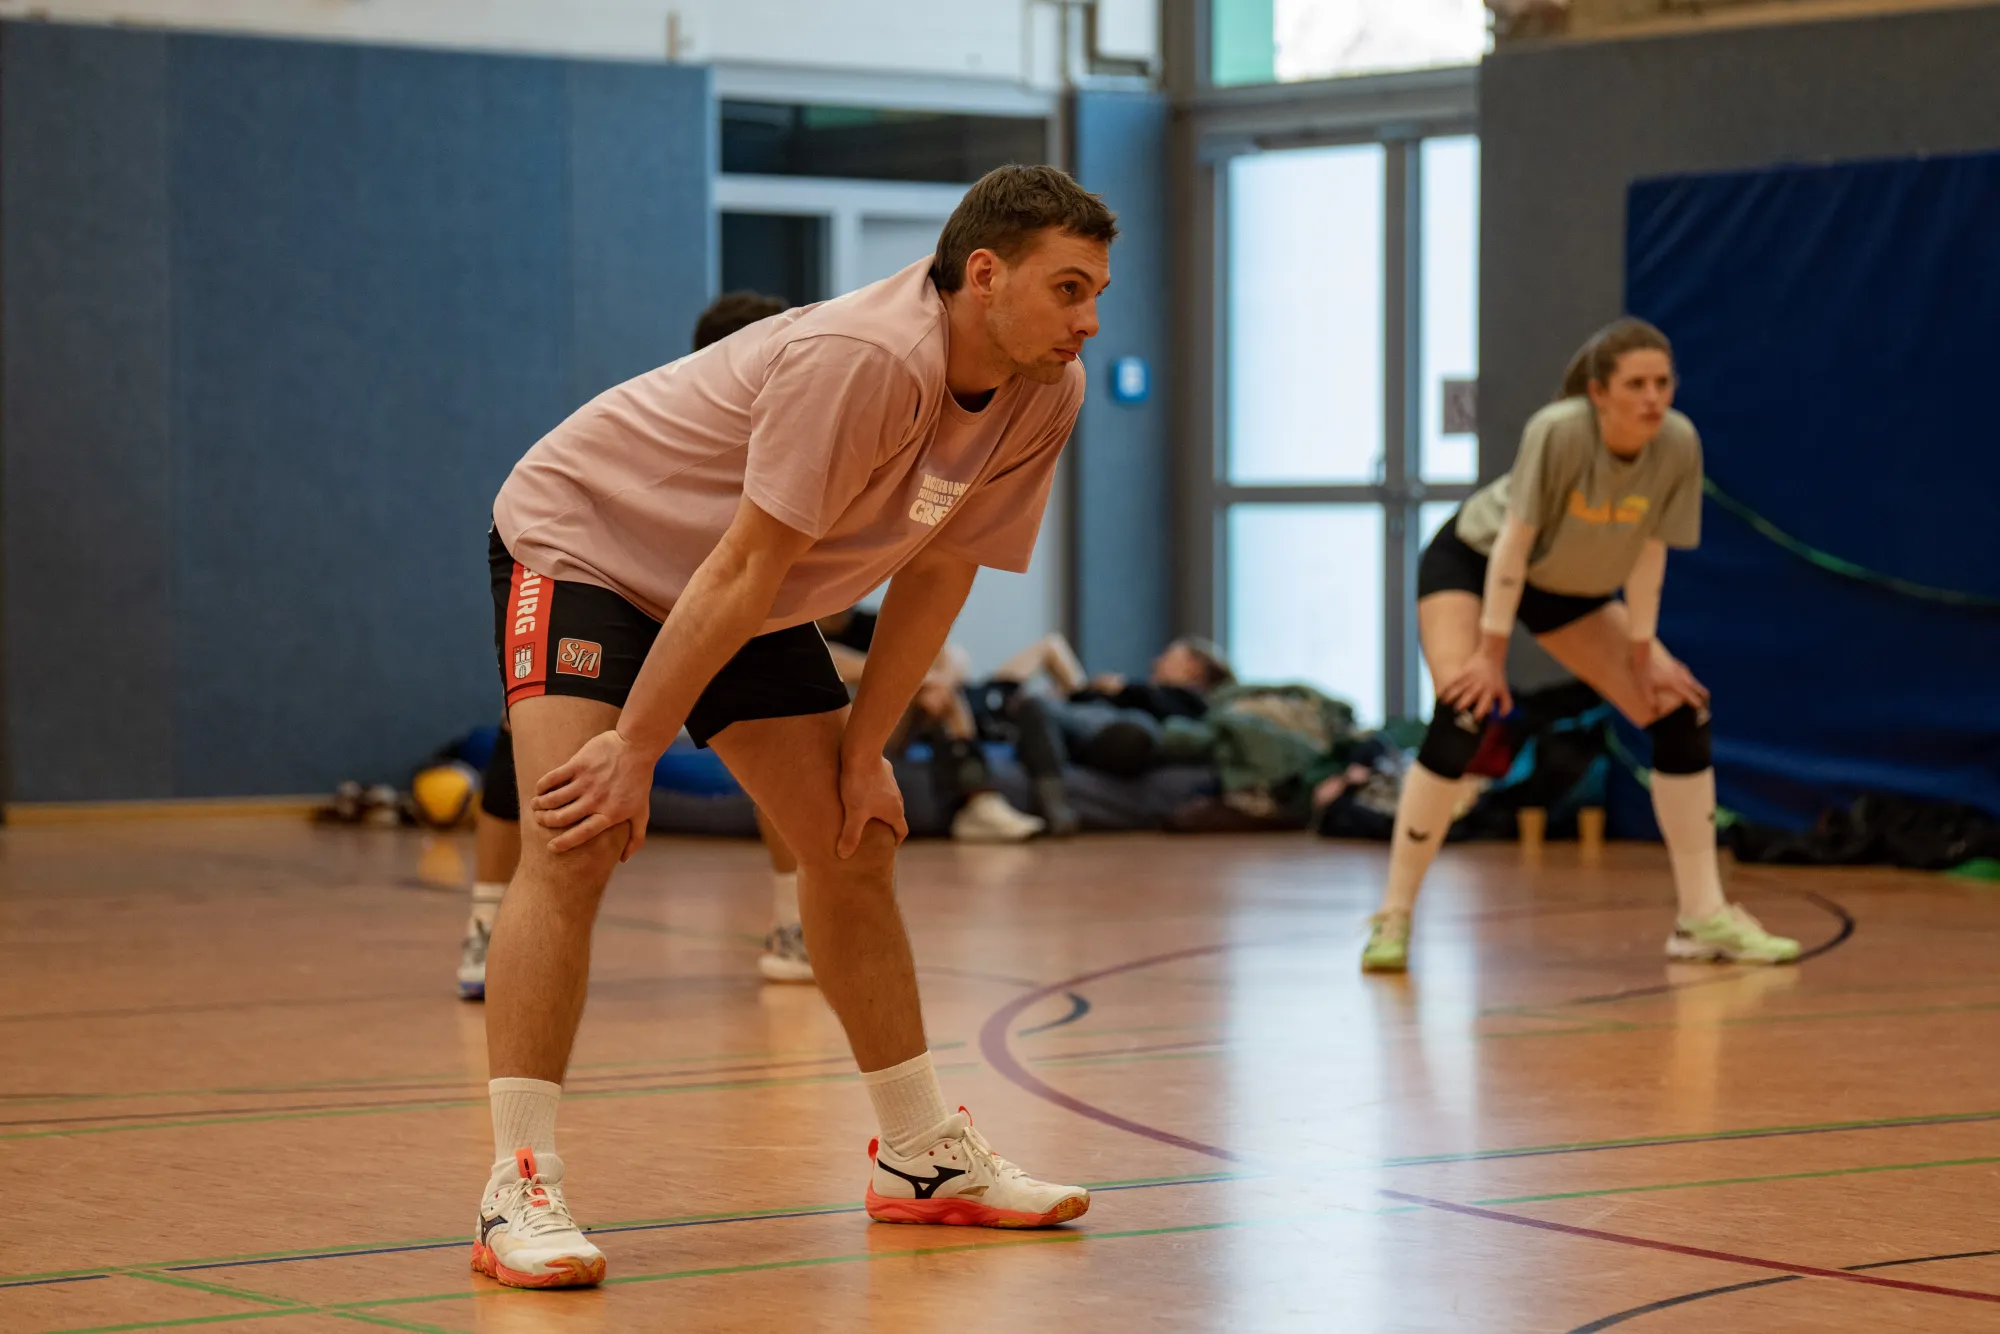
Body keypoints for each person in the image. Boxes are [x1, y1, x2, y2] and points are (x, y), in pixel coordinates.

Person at [473, 165, 1116, 1289]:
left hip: (741, 588)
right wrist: (633, 749)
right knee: (572, 835)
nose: (1088, 320)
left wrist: (864, 755)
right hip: (591, 547)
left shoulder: (1044, 391)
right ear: (983, 275)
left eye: (1096, 293)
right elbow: (743, 563)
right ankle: (516, 1187)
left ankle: (920, 1157)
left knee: (852, 839)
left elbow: (942, 569)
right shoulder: (865, 358)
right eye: (1068, 289)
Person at [1361, 318, 1800, 973]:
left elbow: (1649, 554)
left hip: (1571, 588)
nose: (1652, 398)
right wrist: (1489, 653)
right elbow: (1513, 544)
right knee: (1463, 710)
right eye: (1635, 385)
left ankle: (1702, 917)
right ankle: (1393, 917)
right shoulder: (1560, 431)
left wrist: (1644, 651)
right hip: (1479, 561)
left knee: (1678, 709)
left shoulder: (1677, 444)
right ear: (1598, 392)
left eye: (1662, 383)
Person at [457, 292, 806, 999]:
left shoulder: (801, 435)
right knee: (524, 743)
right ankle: (488, 923)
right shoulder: (657, 422)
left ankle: (793, 922)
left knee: (780, 743)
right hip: (606, 585)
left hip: (708, 603)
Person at [1010, 636, 1234, 834]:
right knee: (1035, 705)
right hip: (1089, 726)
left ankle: (1054, 805)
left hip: (1122, 730)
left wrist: (1122, 688)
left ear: (1192, 669)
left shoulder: (1191, 700)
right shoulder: (1136, 694)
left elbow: (1163, 705)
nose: (1156, 662)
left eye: (1167, 657)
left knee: (1136, 731)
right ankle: (1054, 807)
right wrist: (1085, 694)